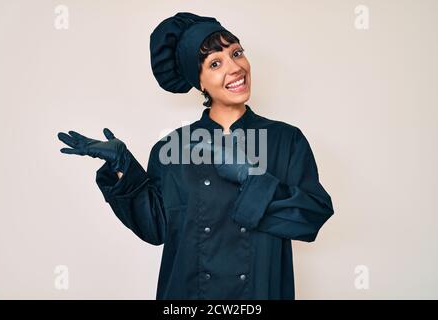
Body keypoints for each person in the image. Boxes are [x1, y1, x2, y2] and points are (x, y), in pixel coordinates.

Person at [57, 12, 334, 300]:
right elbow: (155, 228)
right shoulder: (171, 148)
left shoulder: (285, 139)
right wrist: (123, 167)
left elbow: (310, 217)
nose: (235, 67)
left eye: (236, 53)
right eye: (215, 63)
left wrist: (250, 177)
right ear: (199, 82)